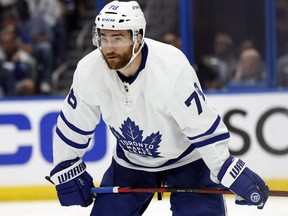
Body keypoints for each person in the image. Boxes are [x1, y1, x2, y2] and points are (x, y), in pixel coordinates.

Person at [46, 1, 269, 215]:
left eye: (117, 38)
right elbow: (73, 126)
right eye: (103, 38)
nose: (109, 47)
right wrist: (66, 167)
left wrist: (230, 171)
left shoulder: (170, 69)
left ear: (138, 38)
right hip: (131, 162)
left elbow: (202, 128)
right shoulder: (89, 70)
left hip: (188, 161)